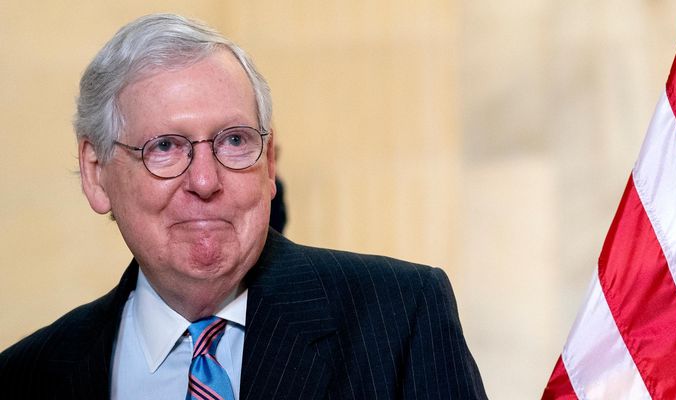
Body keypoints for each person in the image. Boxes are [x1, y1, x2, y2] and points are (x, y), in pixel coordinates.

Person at [0, 13, 486, 399]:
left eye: (233, 140)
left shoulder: (398, 318)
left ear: (269, 165)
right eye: (165, 147)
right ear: (96, 172)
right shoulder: (27, 376)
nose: (206, 181)